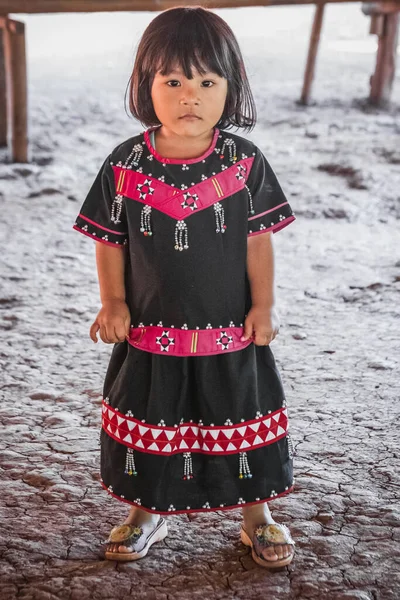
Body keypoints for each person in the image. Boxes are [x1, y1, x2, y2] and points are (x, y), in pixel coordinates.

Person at [73, 5, 297, 569]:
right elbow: (111, 242)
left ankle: (258, 518)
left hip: (230, 332)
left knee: (241, 420)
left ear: (232, 87)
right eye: (172, 81)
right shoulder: (124, 165)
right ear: (145, 84)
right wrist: (114, 301)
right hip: (152, 331)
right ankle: (145, 514)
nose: (189, 96)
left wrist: (265, 304)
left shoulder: (244, 163)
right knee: (152, 425)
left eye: (206, 81)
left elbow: (257, 242)